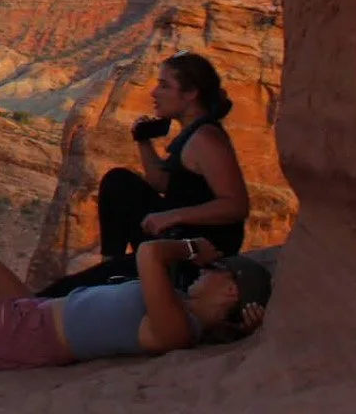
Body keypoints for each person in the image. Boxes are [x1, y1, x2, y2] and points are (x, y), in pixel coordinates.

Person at [0, 231, 271, 388]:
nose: (204, 271)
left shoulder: (178, 327)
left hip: (15, 339)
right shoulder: (181, 309)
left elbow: (148, 254)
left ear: (230, 290)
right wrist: (238, 328)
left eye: (216, 270)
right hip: (34, 313)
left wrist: (190, 247)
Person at [37, 49, 251, 298]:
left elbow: (236, 206)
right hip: (174, 239)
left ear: (191, 93)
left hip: (195, 254)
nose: (154, 92)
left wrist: (172, 216)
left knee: (61, 293)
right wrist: (143, 140)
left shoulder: (206, 138)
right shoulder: (192, 134)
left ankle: (112, 278)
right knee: (119, 181)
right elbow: (162, 183)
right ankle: (113, 269)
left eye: (164, 85)